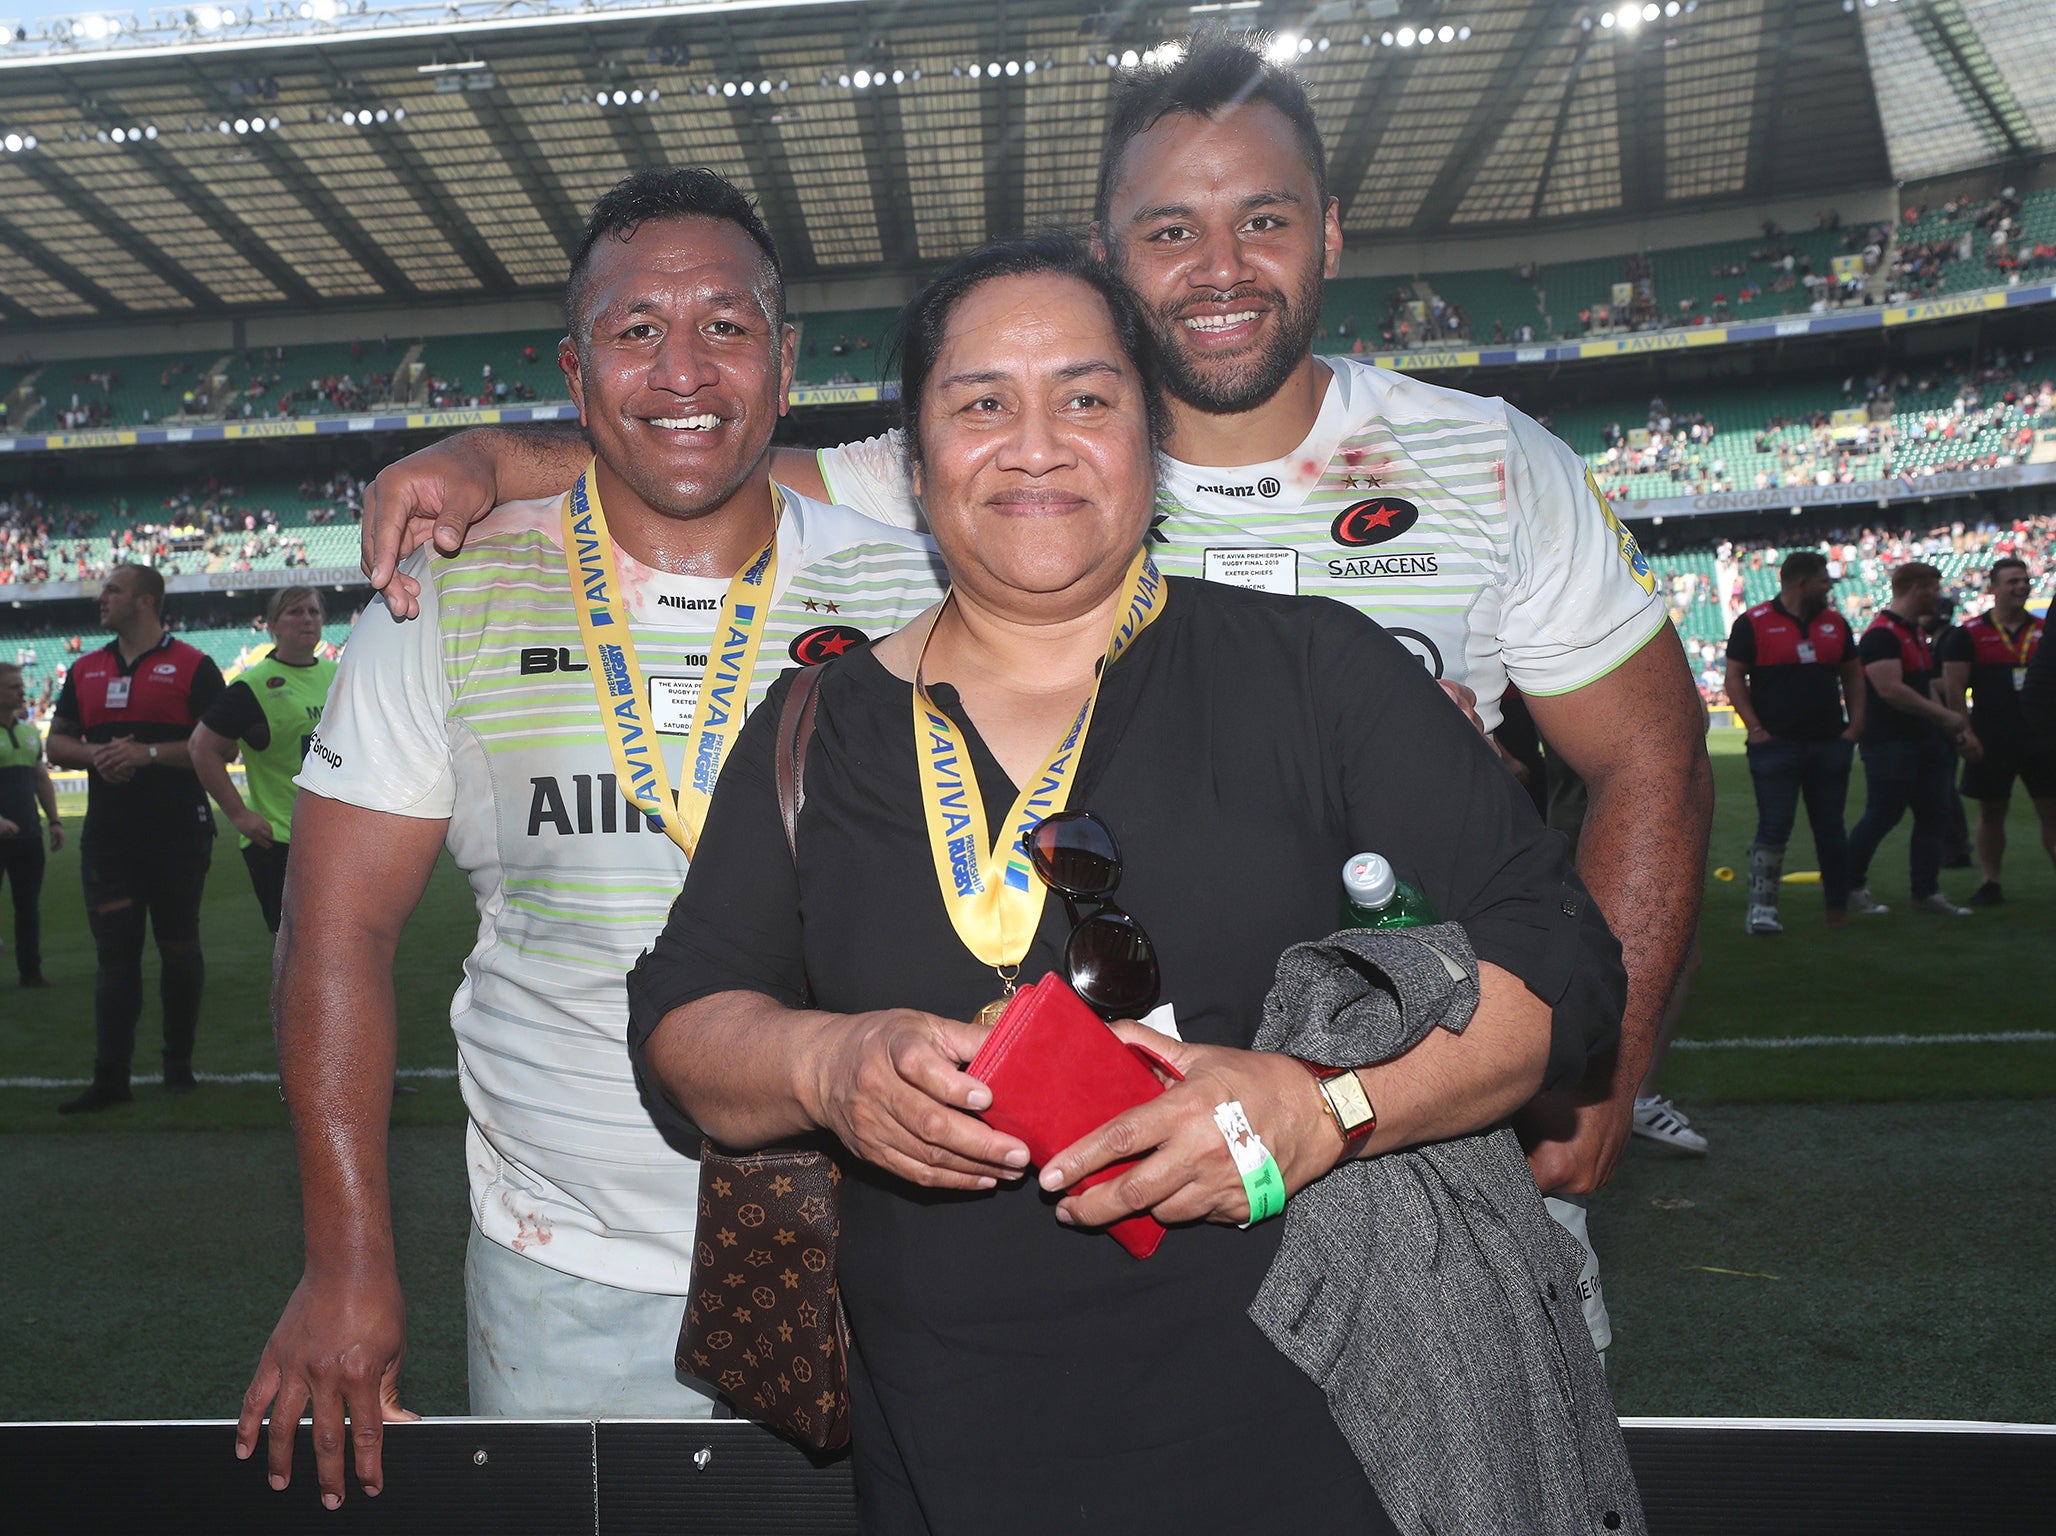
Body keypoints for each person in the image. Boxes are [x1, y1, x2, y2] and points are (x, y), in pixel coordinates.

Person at [353, 32, 1711, 1345]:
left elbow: (1638, 784)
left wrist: (1585, 1063)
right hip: (1008, 1291)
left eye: (1265, 220)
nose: (1221, 266)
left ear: (1332, 234)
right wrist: (486, 456)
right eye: (1170, 229)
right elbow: (699, 438)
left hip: (1391, 1194)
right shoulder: (943, 546)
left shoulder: (1462, 491)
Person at [625, 234, 1632, 1536]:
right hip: (947, 1459)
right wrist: (828, 1066)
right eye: (983, 402)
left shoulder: (1315, 674)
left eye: (1087, 399)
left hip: (1327, 1445)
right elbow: (684, 1033)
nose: (1036, 444)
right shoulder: (820, 730)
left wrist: (1328, 1107)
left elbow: (1567, 969)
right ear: (916, 461)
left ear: (1149, 446)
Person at [234, 169, 947, 1511]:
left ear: (786, 364)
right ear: (576, 368)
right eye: (636, 330)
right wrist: (346, 1258)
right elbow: (337, 928)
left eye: (727, 327)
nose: (684, 369)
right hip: (565, 1265)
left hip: (890, 1252)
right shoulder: (444, 596)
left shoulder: (913, 589)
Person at [44, 563, 224, 1112]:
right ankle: (110, 1079)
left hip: (177, 837)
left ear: (146, 601)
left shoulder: (194, 665)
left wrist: (145, 754)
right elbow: (56, 745)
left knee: (178, 948)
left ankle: (178, 1069)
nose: (103, 598)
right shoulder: (84, 669)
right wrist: (97, 754)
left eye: (113, 590)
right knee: (115, 960)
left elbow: (224, 748)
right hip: (108, 841)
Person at [1724, 551, 1863, 933]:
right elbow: (1734, 677)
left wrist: (1854, 728)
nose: (1829, 587)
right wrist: (1755, 729)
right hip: (1776, 746)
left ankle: (1838, 910)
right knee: (1773, 826)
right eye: (1823, 580)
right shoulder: (1753, 623)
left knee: (1831, 829)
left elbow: (1853, 675)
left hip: (1829, 744)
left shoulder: (1836, 623)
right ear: (1802, 582)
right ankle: (1762, 911)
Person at [189, 588, 336, 934]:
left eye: (314, 612)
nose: (307, 619)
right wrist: (239, 815)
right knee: (296, 946)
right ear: (273, 626)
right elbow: (201, 747)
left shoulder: (338, 675)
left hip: (336, 833)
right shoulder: (252, 686)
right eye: (295, 612)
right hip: (281, 839)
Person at [1845, 562, 1974, 916]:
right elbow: (1890, 690)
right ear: (1916, 588)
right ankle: (1849, 886)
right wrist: (1946, 716)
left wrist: (1948, 727)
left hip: (1923, 740)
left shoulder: (1912, 632)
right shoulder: (1882, 634)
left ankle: (1925, 892)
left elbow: (1921, 684)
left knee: (1934, 815)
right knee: (1883, 814)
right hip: (1889, 741)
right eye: (1934, 588)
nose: (1939, 595)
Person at [1940, 558, 2052, 904]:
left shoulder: (2044, 631)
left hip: (2044, 737)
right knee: (1991, 813)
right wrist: (1964, 732)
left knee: (2052, 811)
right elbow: (1954, 688)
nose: (2021, 586)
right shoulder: (1968, 634)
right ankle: (1991, 883)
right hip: (1991, 737)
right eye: (2012, 581)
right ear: (1992, 588)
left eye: (2025, 580)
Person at [0, 661, 63, 987]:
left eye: (21, 685)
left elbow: (41, 777)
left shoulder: (27, 732)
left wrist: (54, 821)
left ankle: (31, 972)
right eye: (13, 686)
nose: (22, 691)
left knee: (28, 907)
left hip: (27, 835)